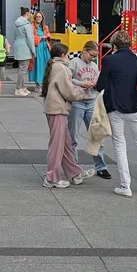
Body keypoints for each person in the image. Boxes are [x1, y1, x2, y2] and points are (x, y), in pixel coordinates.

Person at [95, 31, 137, 197]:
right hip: (136, 106)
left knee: (120, 146)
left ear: (114, 45)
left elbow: (100, 84)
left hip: (114, 107)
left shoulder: (109, 60)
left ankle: (125, 186)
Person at [42, 41, 93, 188]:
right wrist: (81, 91)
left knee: (65, 144)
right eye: (67, 54)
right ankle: (51, 177)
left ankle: (75, 173)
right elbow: (68, 91)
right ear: (63, 55)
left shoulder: (53, 66)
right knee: (57, 145)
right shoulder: (61, 68)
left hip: (54, 108)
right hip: (58, 109)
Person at [68, 41, 111, 180]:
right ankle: (73, 166)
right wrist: (81, 83)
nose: (92, 58)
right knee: (73, 135)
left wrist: (96, 85)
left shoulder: (93, 66)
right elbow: (67, 79)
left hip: (91, 101)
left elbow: (98, 79)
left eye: (94, 56)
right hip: (77, 102)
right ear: (84, 51)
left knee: (96, 134)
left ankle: (101, 166)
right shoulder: (74, 62)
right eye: (91, 55)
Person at [11, 7, 36, 96]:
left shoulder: (16, 23)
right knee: (23, 69)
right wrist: (33, 50)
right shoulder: (27, 24)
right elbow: (30, 39)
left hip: (18, 45)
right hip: (25, 47)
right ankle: (18, 88)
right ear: (27, 14)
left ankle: (22, 86)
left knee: (21, 68)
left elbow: (15, 35)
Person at [32, 11, 51, 94]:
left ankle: (45, 84)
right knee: (38, 66)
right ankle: (38, 85)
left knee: (46, 66)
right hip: (37, 47)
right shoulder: (32, 26)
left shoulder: (45, 27)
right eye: (37, 17)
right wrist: (40, 37)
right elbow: (31, 37)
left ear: (42, 18)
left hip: (45, 48)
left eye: (40, 17)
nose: (38, 18)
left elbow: (48, 35)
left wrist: (48, 36)